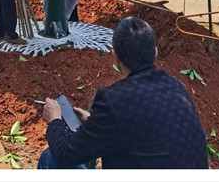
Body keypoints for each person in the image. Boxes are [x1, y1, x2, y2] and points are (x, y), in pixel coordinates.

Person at [38, 17, 209, 169]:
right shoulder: (176, 86)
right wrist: (94, 122)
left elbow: (65, 153)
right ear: (155, 52)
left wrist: (54, 120)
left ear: (115, 57)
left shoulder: (113, 100)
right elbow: (144, 130)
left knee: (50, 159)